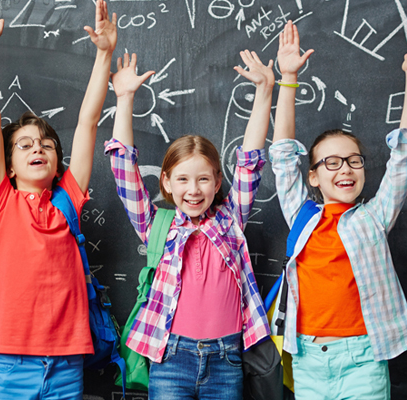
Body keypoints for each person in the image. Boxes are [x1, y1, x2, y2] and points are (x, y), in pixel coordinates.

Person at [0, 1, 116, 398]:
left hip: (67, 362)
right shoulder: (1, 201)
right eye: (25, 144)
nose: (38, 148)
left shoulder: (67, 200)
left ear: (57, 161)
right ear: (9, 164)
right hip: (11, 361)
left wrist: (104, 55)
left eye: (47, 145)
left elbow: (88, 121)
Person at [104, 49, 274, 399]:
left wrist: (264, 92)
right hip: (170, 358)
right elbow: (123, 169)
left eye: (203, 180)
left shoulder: (230, 220)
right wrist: (124, 99)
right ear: (165, 182)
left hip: (227, 357)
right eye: (182, 180)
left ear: (216, 181)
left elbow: (250, 162)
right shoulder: (158, 226)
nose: (193, 190)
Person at [268, 21, 407, 399]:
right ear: (314, 177)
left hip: (365, 356)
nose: (346, 169)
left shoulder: (373, 217)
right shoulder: (302, 218)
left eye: (353, 161)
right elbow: (284, 156)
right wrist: (288, 78)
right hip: (307, 356)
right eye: (331, 163)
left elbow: (403, 157)